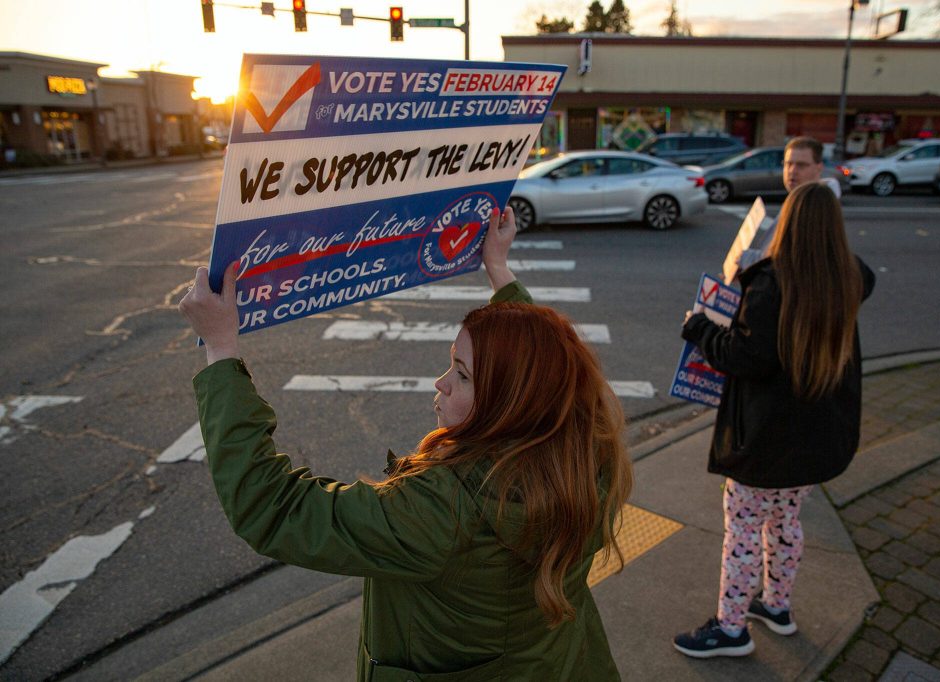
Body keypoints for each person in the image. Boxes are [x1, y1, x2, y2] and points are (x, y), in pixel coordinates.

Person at [178, 206, 633, 680]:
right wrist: (498, 270)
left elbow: (272, 507)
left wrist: (220, 349)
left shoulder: (442, 509)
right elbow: (540, 360)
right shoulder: (585, 444)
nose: (441, 384)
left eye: (461, 374)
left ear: (509, 402)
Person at [674, 182, 875, 658]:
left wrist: (699, 325)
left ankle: (730, 629)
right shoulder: (847, 278)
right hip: (820, 439)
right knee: (785, 521)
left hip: (765, 440)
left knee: (743, 530)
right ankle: (777, 607)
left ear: (788, 224)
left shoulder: (773, 282)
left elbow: (743, 355)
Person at [737, 136, 840, 274]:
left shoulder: (813, 209)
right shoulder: (797, 201)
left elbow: (787, 261)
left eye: (801, 165)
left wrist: (746, 259)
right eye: (788, 164)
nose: (792, 170)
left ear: (819, 167)